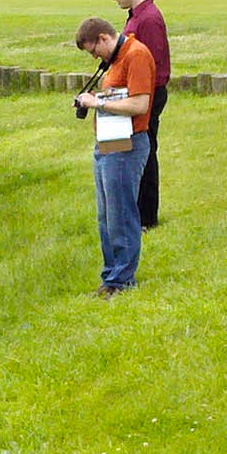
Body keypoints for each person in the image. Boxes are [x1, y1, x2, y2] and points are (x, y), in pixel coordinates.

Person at [73, 18, 155, 299]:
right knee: (106, 216)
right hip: (109, 144)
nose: (95, 57)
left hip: (127, 145)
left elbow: (140, 104)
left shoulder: (136, 54)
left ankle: (122, 280)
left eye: (94, 51)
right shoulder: (117, 57)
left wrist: (98, 103)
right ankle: (111, 276)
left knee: (121, 213)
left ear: (104, 38)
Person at [108, 0, 169, 229]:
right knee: (129, 148)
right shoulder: (135, 15)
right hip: (136, 92)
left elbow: (153, 65)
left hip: (148, 94)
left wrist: (137, 96)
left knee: (145, 151)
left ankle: (147, 216)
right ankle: (129, 209)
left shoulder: (149, 19)